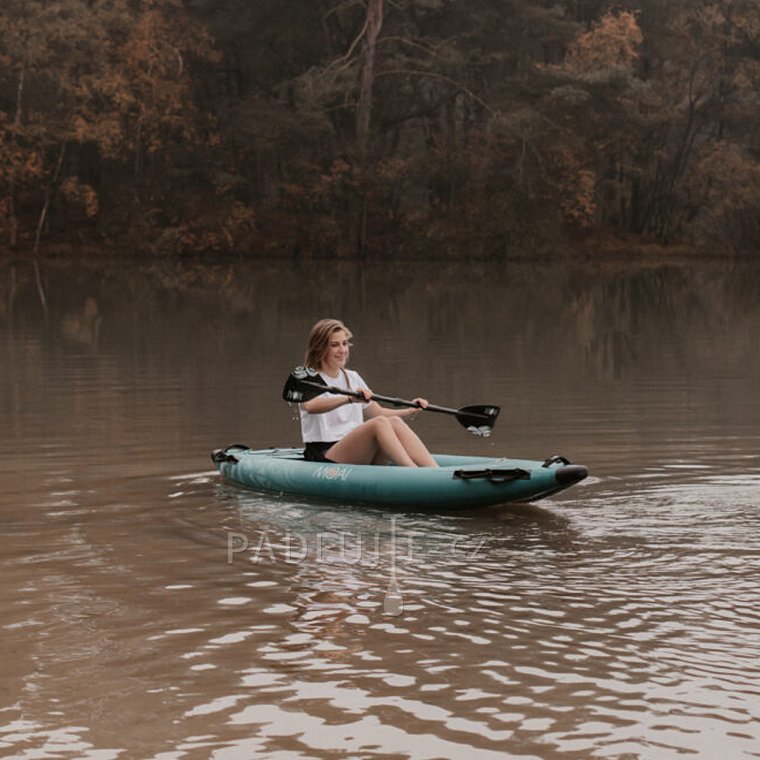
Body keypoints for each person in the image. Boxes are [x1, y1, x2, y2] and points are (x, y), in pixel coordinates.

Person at [299, 319, 438, 467]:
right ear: (320, 348)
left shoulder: (352, 377)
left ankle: (435, 472)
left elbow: (377, 412)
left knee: (394, 422)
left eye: (345, 344)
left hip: (358, 449)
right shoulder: (307, 378)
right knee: (380, 424)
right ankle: (414, 473)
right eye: (335, 345)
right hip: (325, 454)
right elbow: (310, 406)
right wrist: (349, 399)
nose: (342, 350)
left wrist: (410, 410)